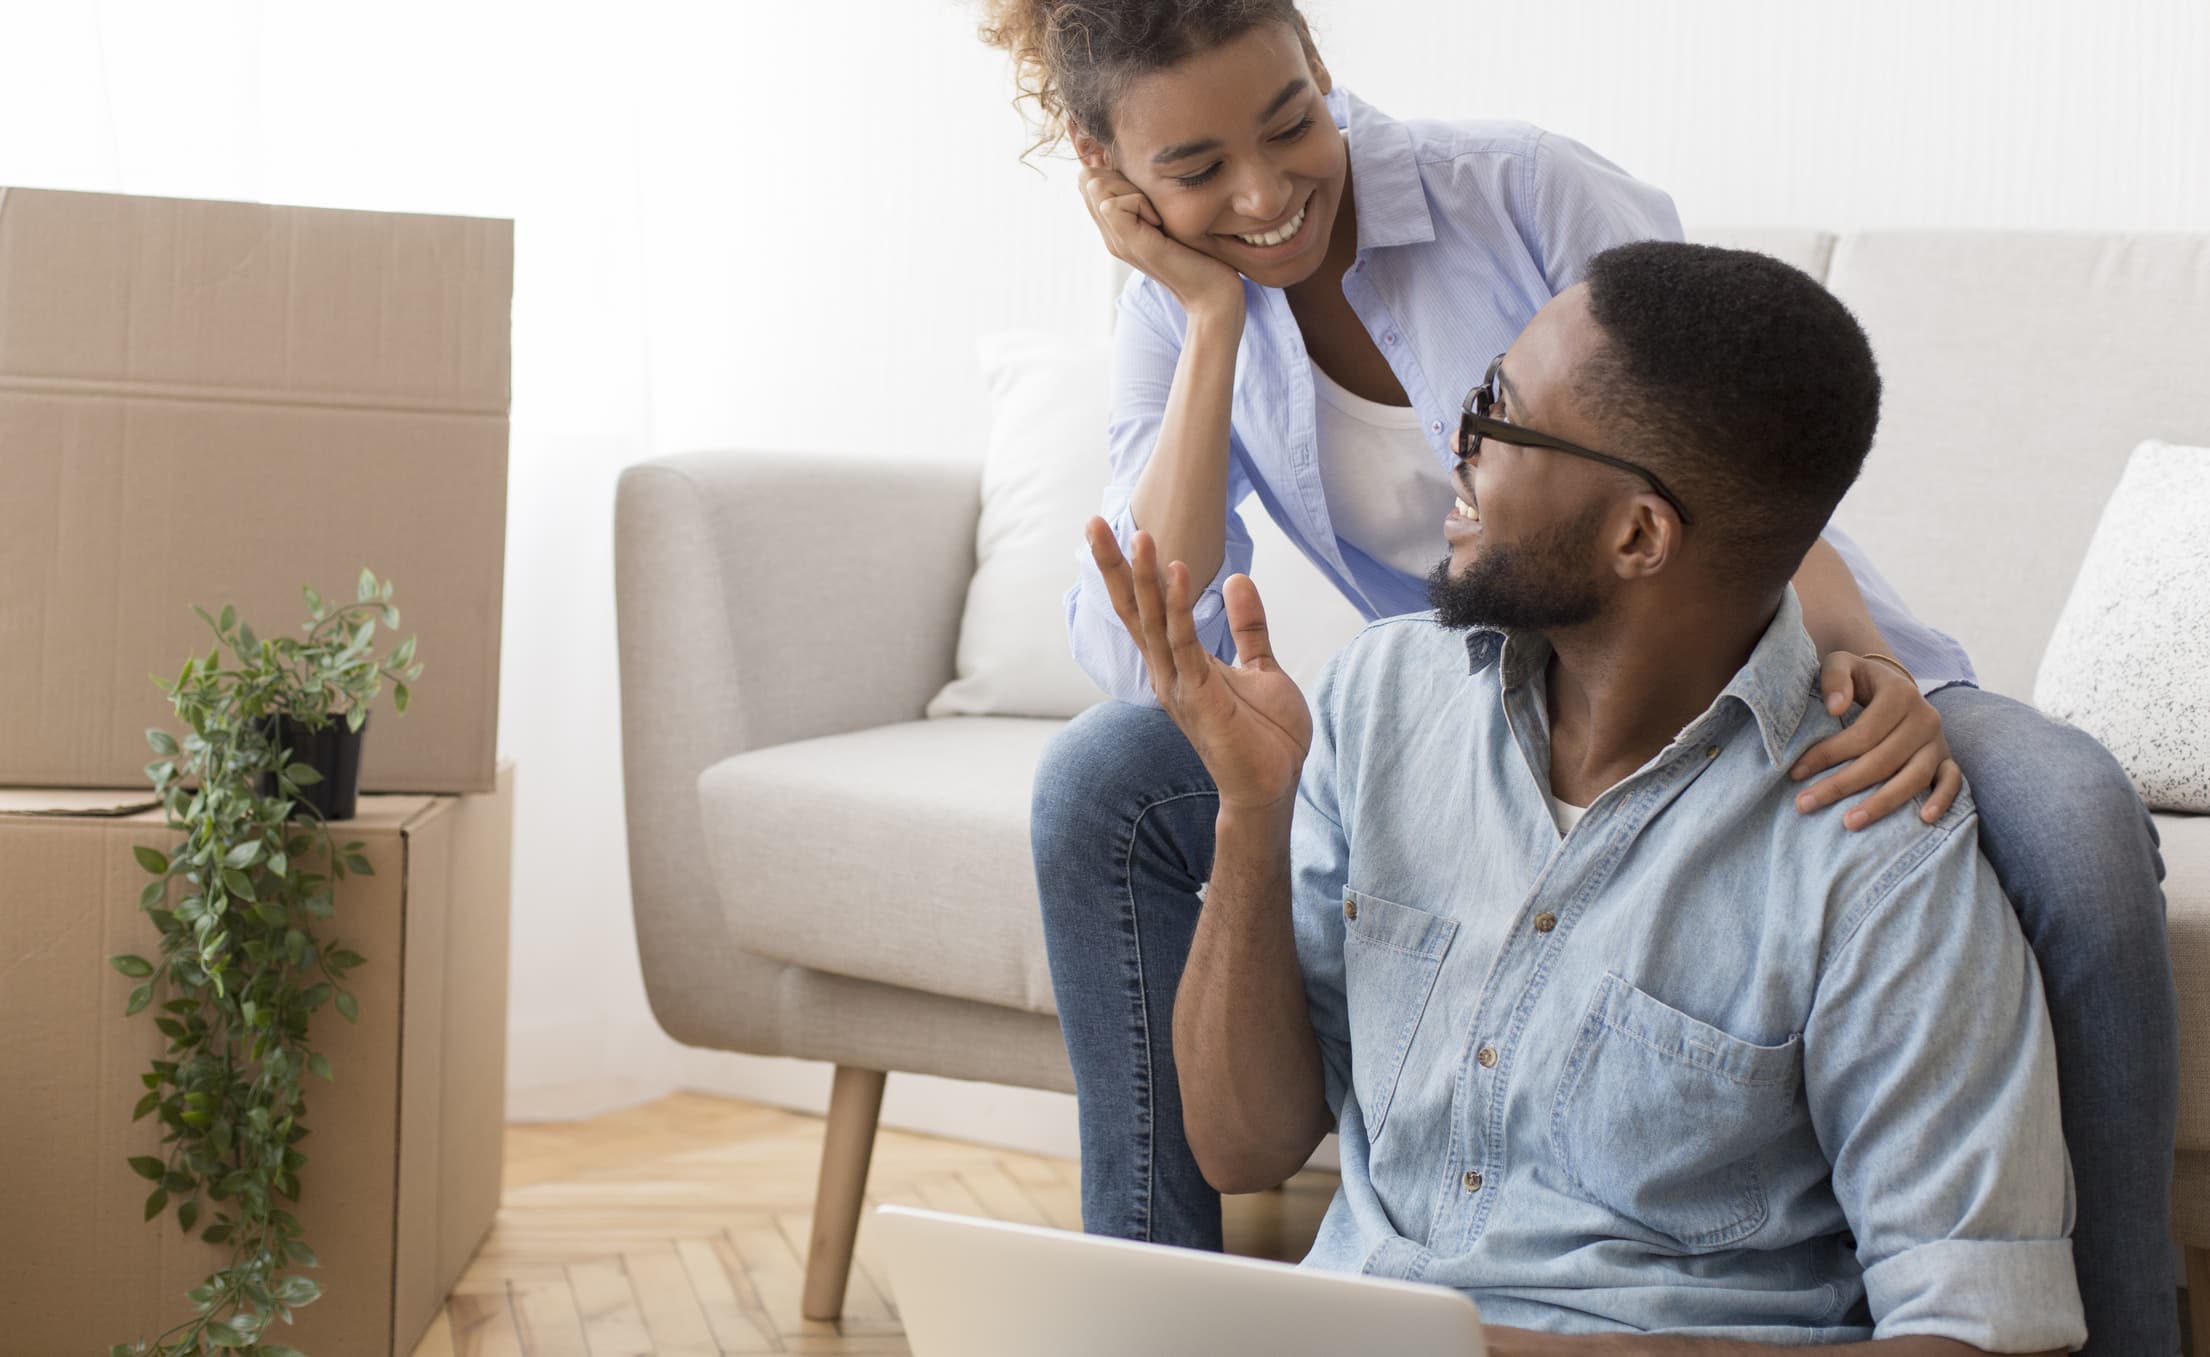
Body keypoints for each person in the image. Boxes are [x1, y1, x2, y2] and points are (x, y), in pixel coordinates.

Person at [982, 3, 2173, 1349]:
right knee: (1101, 778)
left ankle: (2129, 1325)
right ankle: (1146, 1300)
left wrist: (1861, 670)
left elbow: (1730, 442)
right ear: (1111, 173)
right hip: (1479, 671)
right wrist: (1209, 321)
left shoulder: (1521, 189)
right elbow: (1141, 644)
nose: (1262, 193)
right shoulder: (1177, 319)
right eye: (1194, 171)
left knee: (2065, 813)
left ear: (1323, 74)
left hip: (1734, 618)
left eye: (1290, 124)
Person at [1086, 238, 2083, 1350]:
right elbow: (1238, 1147)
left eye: (1494, 417)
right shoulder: (1382, 696)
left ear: (1637, 534)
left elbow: (1972, 1332)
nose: (1451, 450)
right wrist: (1250, 812)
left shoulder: (1873, 854)